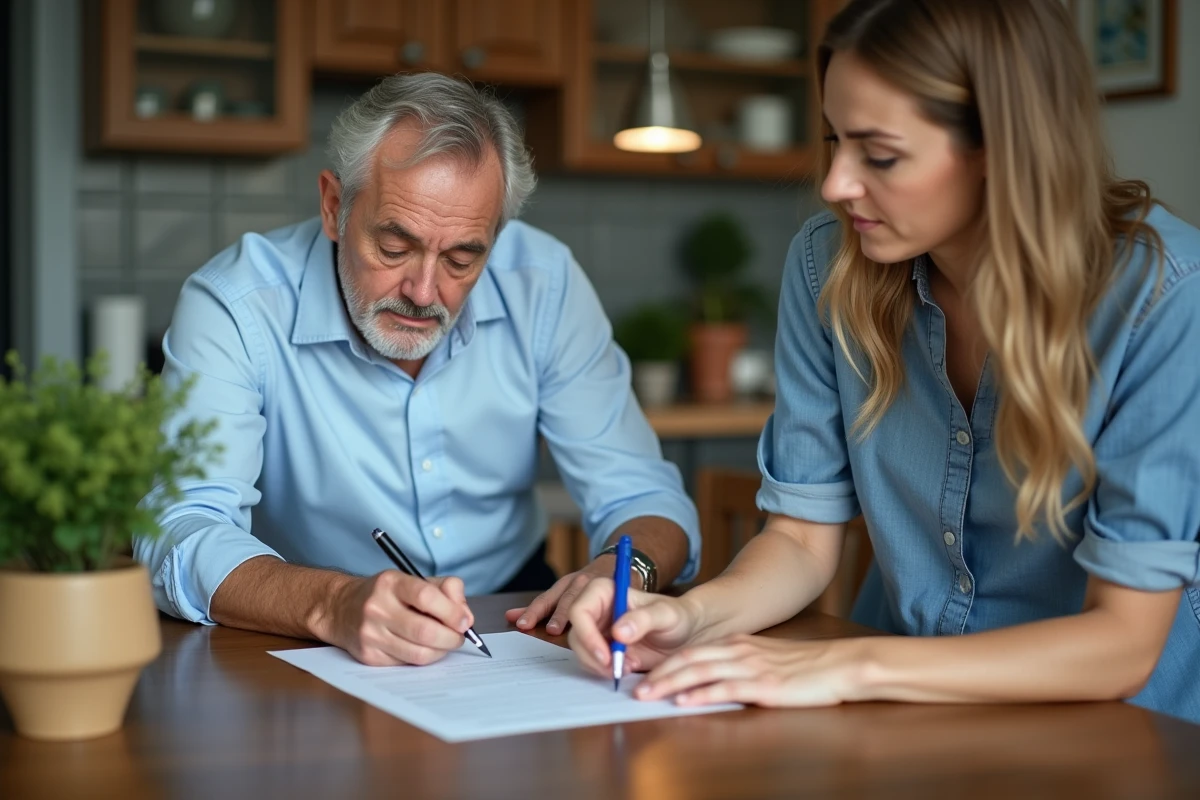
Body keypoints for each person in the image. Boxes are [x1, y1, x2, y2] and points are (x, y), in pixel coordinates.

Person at [567, 0, 1200, 724]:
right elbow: (802, 540)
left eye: (880, 153)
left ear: (1002, 144)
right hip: (906, 714)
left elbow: (1123, 643)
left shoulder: (1164, 298)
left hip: (1128, 733)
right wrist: (693, 617)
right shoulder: (826, 263)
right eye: (835, 139)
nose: (836, 183)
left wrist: (843, 664)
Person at [136, 72, 700, 667]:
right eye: (394, 247)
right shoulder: (237, 303)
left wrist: (622, 571)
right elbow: (182, 528)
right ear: (334, 207)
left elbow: (642, 494)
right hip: (303, 623)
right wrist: (333, 602)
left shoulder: (546, 283)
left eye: (462, 257)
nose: (423, 291)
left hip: (511, 607)